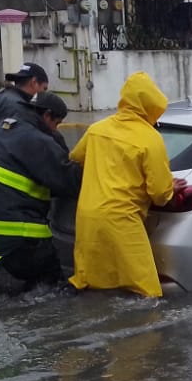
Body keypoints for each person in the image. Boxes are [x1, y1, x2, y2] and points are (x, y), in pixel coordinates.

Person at [0, 91, 81, 296]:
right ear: (47, 116)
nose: (56, 129)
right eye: (57, 123)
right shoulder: (37, 140)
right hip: (12, 237)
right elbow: (69, 180)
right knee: (52, 285)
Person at [69, 72, 178, 297]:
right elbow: (160, 194)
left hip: (87, 218)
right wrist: (171, 187)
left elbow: (76, 158)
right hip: (122, 220)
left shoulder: (97, 129)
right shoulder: (150, 138)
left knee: (91, 284)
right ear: (152, 105)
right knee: (147, 292)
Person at [0, 62, 50, 159]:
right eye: (44, 89)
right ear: (33, 83)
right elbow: (22, 144)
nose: (45, 94)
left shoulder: (4, 98)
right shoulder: (17, 107)